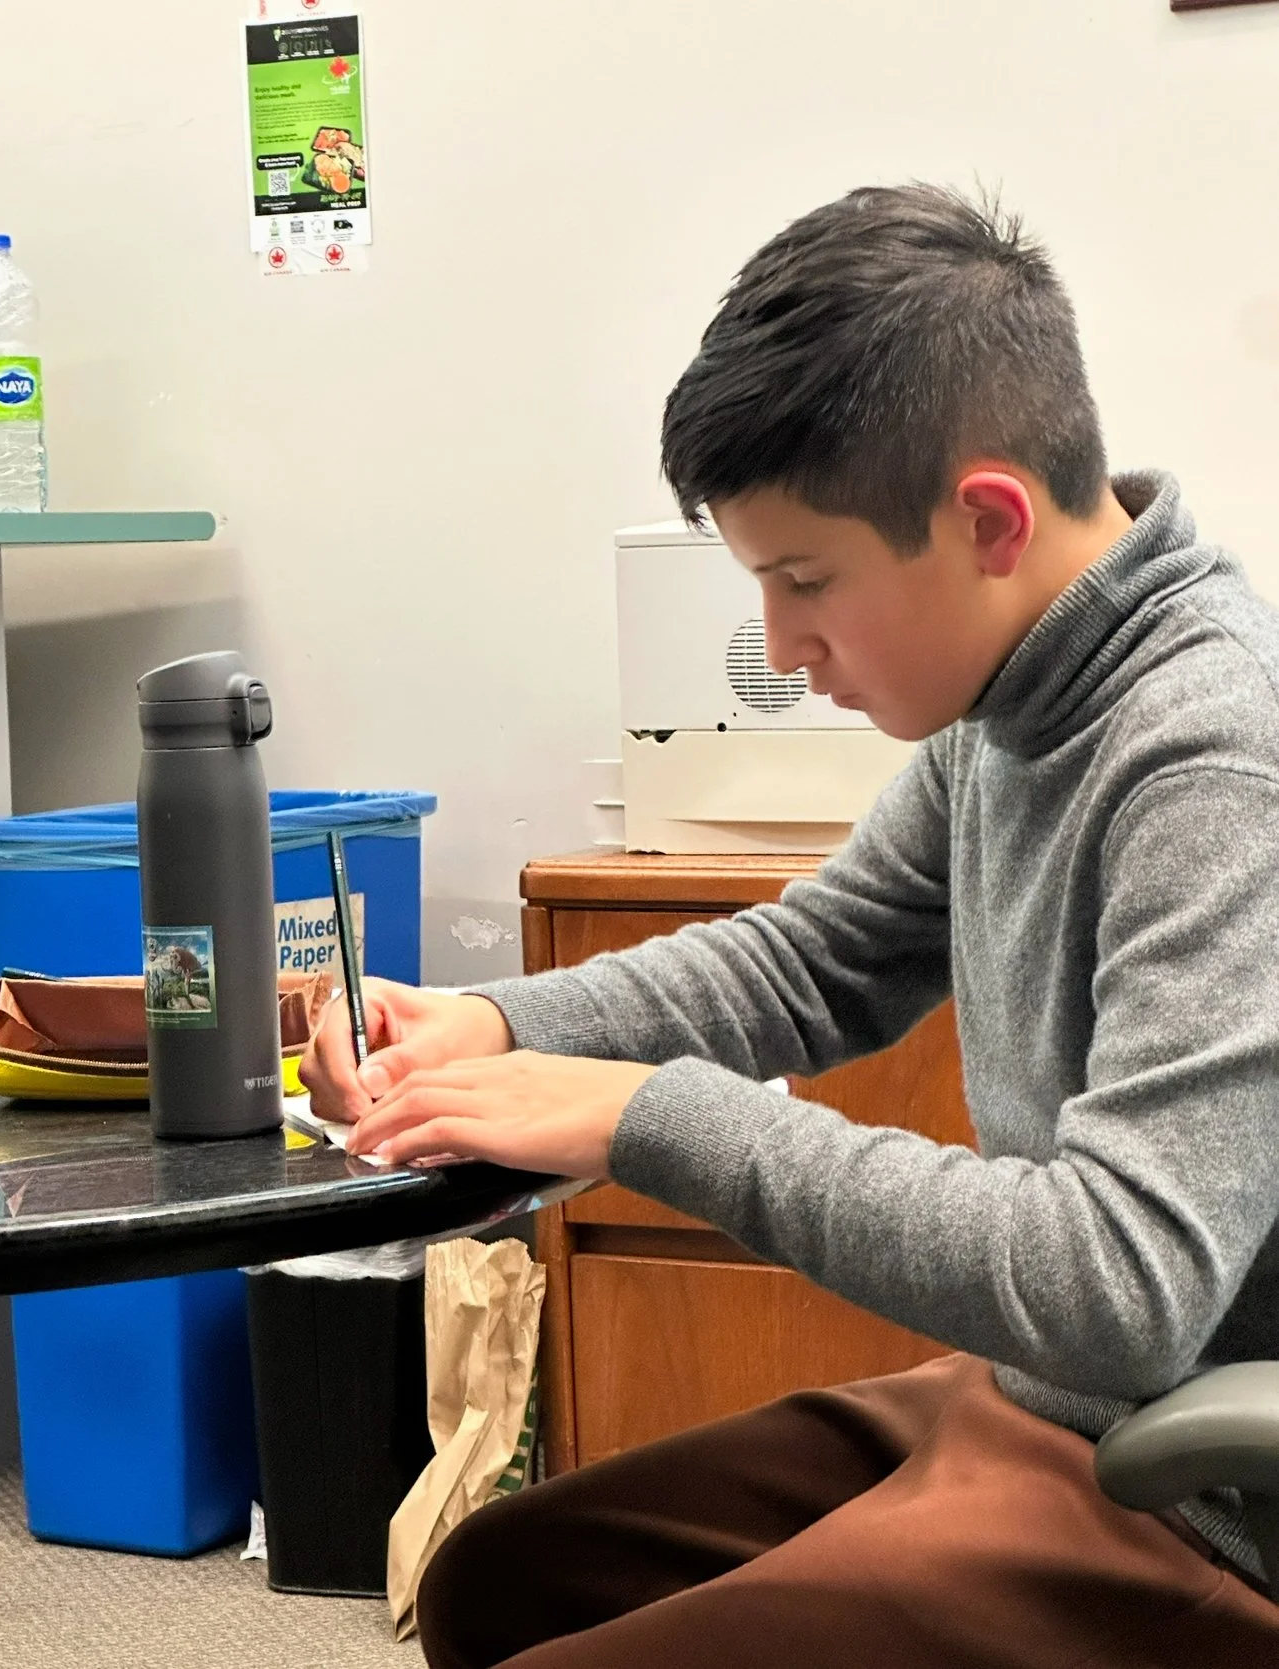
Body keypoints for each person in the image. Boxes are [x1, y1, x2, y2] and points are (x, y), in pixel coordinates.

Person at [299, 184, 1279, 1666]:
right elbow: (816, 959)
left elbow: (1114, 1286)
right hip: (1053, 1411)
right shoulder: (1013, 700)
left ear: (989, 520)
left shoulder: (1210, 763)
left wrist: (646, 1119)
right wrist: (496, 1025)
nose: (783, 645)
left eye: (805, 581)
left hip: (1200, 1501)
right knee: (502, 1583)